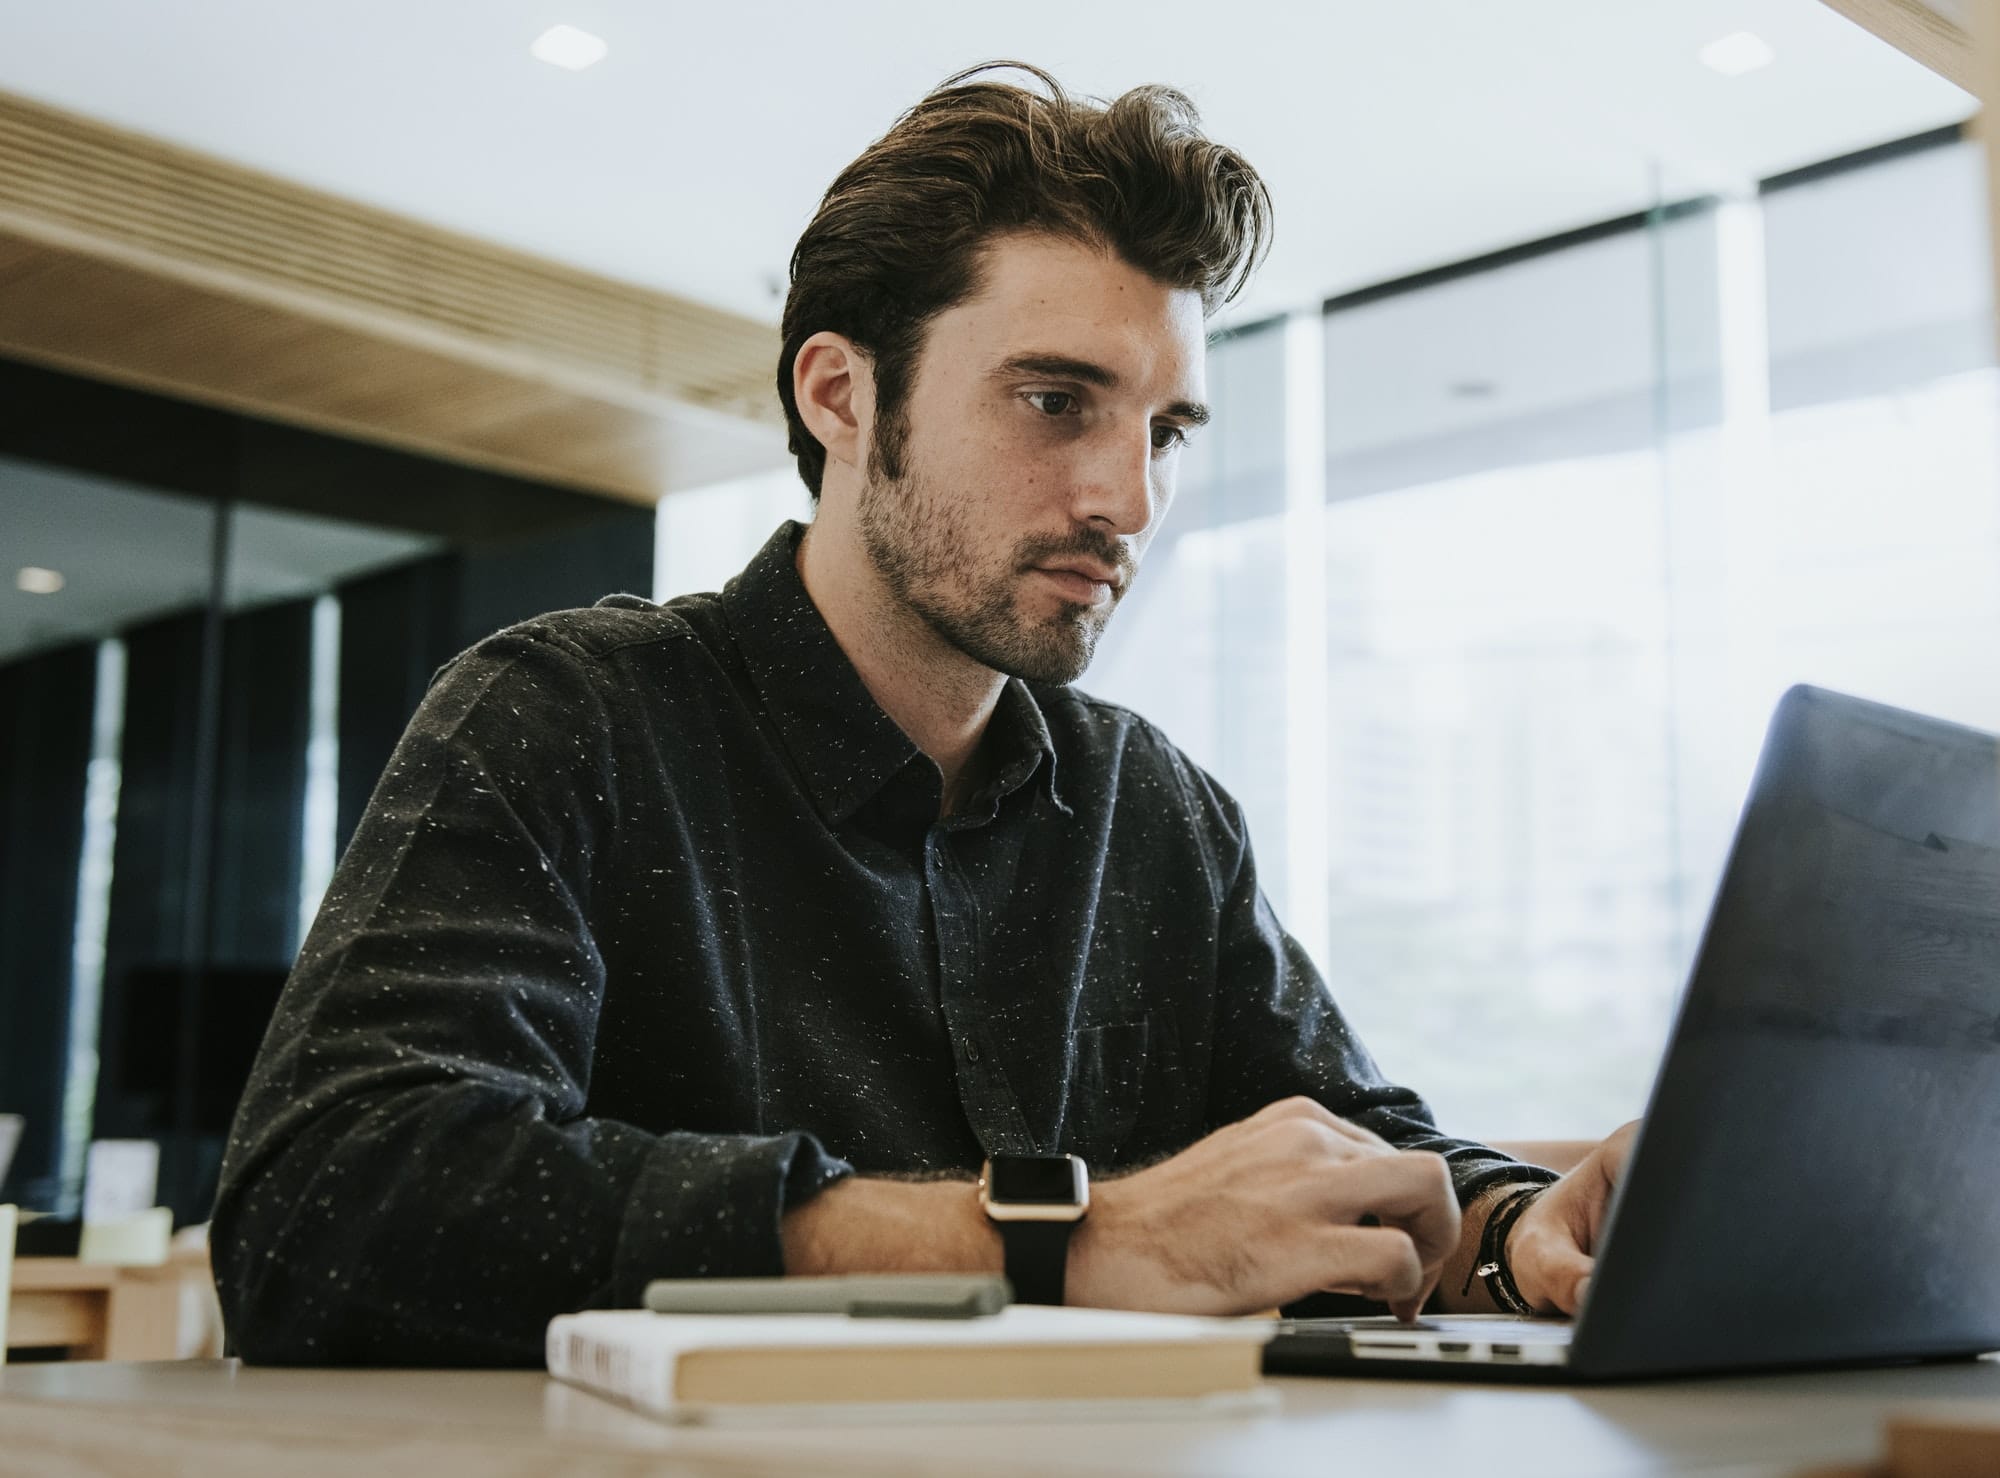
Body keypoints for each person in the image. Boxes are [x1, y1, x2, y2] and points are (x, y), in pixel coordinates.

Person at [212, 61, 1634, 1366]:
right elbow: (329, 1207)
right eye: (1054, 399)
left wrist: (1521, 1228)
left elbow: (1353, 1139)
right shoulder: (565, 718)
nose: (1128, 500)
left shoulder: (1156, 811)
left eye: (1165, 431)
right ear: (841, 395)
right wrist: (1058, 1239)